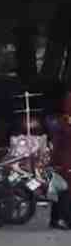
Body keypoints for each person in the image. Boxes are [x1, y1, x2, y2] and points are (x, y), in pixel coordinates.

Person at [50, 92, 71, 230]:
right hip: (66, 159)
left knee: (61, 189)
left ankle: (55, 219)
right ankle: (65, 219)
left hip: (62, 159)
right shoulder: (66, 122)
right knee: (66, 190)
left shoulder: (63, 121)